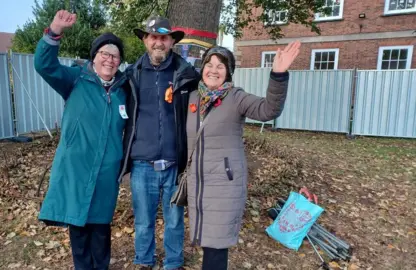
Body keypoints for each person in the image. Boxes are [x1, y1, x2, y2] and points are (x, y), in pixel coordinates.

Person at [185, 43, 300, 270]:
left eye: (220, 66)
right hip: (198, 184)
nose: (213, 70)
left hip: (224, 184)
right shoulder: (192, 99)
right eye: (209, 64)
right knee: (206, 242)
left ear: (228, 72)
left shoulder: (236, 97)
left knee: (216, 247)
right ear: (202, 68)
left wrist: (278, 75)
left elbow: (268, 110)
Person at [34, 10, 132, 270]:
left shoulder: (124, 90)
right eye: (104, 54)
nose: (109, 60)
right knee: (78, 226)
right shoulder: (76, 79)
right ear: (95, 56)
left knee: (100, 229)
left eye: (115, 55)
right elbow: (44, 65)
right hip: (76, 168)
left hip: (106, 171)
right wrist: (54, 31)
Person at [117, 16, 200, 270]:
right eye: (153, 37)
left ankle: (173, 262)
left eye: (163, 38)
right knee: (143, 220)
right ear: (145, 40)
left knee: (174, 219)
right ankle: (144, 260)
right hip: (142, 163)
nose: (158, 43)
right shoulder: (131, 75)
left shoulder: (186, 75)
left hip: (176, 163)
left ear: (172, 42)